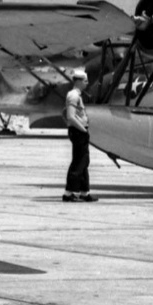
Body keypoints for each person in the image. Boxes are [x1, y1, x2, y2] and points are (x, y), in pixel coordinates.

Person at [63, 68, 97, 203]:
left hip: (79, 131)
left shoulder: (77, 95)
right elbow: (70, 116)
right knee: (78, 163)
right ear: (78, 81)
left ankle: (84, 192)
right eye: (85, 80)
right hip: (79, 132)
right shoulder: (73, 96)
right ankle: (68, 193)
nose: (87, 83)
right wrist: (83, 129)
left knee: (83, 162)